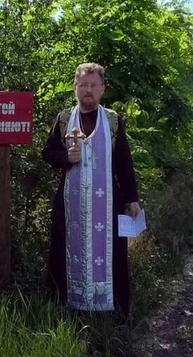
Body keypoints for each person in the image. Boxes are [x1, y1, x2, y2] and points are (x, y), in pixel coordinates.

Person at [42, 62, 141, 323]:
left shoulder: (113, 121)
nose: (88, 90)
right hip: (70, 204)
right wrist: (66, 157)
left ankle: (113, 312)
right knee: (64, 250)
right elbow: (47, 153)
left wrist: (132, 198)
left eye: (93, 85)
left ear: (102, 89)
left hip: (107, 203)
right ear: (75, 87)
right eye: (83, 85)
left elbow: (124, 162)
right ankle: (65, 306)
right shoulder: (64, 119)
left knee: (112, 254)